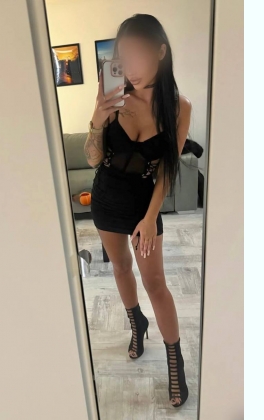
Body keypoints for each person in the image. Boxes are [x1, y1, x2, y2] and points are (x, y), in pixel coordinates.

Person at [84, 14, 191, 407]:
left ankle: (175, 361)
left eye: (137, 54)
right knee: (120, 268)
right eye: (123, 55)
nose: (129, 65)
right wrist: (98, 117)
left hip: (144, 205)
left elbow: (167, 170)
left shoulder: (178, 108)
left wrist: (149, 218)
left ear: (160, 52)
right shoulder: (114, 97)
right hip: (106, 198)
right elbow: (93, 158)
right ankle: (136, 323)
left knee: (156, 283)